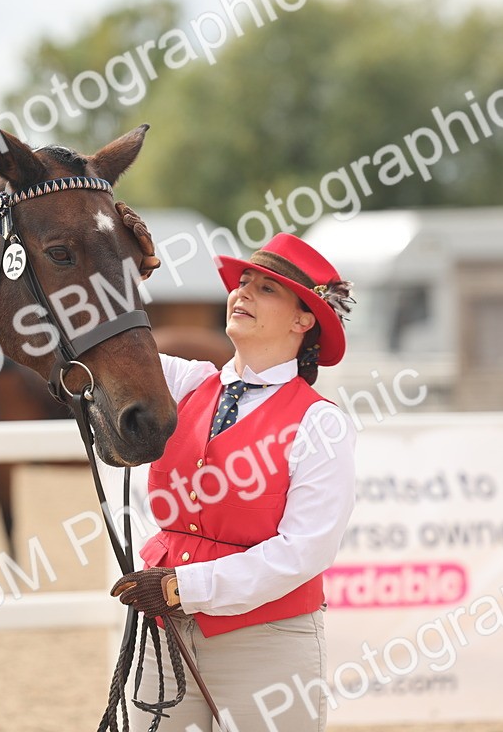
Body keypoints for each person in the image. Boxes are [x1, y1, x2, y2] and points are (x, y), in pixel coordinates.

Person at [111, 233, 358, 732]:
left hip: (266, 641)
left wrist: (185, 588)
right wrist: (119, 279)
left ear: (302, 319)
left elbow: (303, 551)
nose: (241, 292)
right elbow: (102, 344)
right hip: (165, 637)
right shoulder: (184, 383)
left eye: (266, 289)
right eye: (243, 282)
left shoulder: (320, 422)